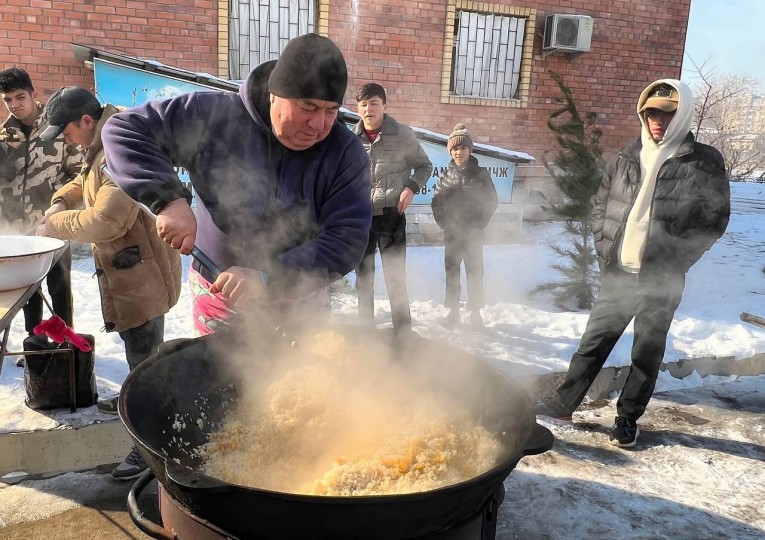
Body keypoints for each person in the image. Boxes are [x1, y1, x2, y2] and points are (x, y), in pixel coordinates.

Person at [100, 33, 372, 336]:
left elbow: (347, 237)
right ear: (274, 93)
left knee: (305, 379)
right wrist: (166, 199)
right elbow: (125, 131)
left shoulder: (344, 152)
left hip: (300, 297)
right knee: (221, 380)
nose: (318, 124)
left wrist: (272, 277)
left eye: (330, 111)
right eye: (307, 107)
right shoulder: (216, 117)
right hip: (220, 296)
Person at [535, 79, 731, 447]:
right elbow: (600, 205)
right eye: (651, 112)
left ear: (682, 114)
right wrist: (602, 245)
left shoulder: (703, 161)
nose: (657, 120)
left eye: (667, 113)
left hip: (662, 278)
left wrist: (677, 260)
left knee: (646, 351)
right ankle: (563, 402)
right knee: (593, 343)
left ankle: (627, 417)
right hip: (618, 273)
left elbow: (714, 219)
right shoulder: (626, 156)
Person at [36, 86, 182, 480]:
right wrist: (62, 200)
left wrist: (55, 224)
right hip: (131, 275)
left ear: (86, 120)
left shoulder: (121, 148)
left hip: (144, 278)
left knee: (146, 360)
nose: (64, 140)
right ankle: (136, 397)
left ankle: (148, 450)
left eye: (65, 131)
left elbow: (107, 220)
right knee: (141, 357)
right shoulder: (104, 142)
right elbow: (85, 182)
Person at [0, 67, 82, 344]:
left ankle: (64, 343)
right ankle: (35, 342)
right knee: (28, 290)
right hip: (18, 227)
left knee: (59, 286)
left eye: (20, 97)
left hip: (53, 223)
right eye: (7, 99)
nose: (14, 105)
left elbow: (79, 174)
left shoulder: (58, 127)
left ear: (33, 94)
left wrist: (61, 206)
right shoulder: (5, 135)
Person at [353, 83, 432, 332]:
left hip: (391, 215)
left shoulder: (402, 134)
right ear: (357, 109)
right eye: (363, 105)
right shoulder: (351, 139)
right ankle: (366, 329)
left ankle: (403, 330)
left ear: (384, 106)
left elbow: (424, 166)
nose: (369, 109)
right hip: (361, 217)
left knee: (395, 277)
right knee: (363, 276)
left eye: (374, 103)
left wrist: (410, 187)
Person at [431, 123, 497, 328]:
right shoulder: (446, 174)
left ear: (470, 150)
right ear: (450, 151)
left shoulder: (481, 174)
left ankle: (476, 313)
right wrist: (444, 224)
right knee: (452, 272)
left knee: (475, 271)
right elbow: (436, 202)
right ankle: (452, 312)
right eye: (455, 149)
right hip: (452, 233)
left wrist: (479, 224)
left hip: (473, 233)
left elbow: (491, 201)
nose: (459, 152)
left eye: (463, 148)